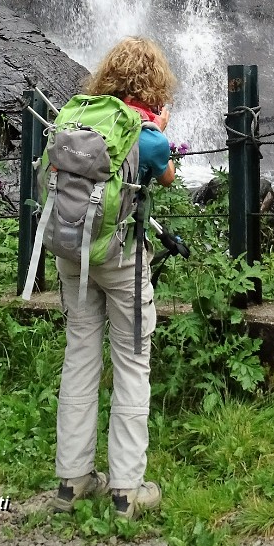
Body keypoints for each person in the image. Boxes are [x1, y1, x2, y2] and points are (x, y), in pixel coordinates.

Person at [52, 36, 177, 517]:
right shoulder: (146, 135)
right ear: (154, 83)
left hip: (73, 253)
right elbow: (164, 176)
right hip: (122, 258)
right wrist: (159, 129)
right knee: (131, 361)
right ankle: (126, 489)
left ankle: (72, 480)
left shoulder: (78, 116)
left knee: (80, 357)